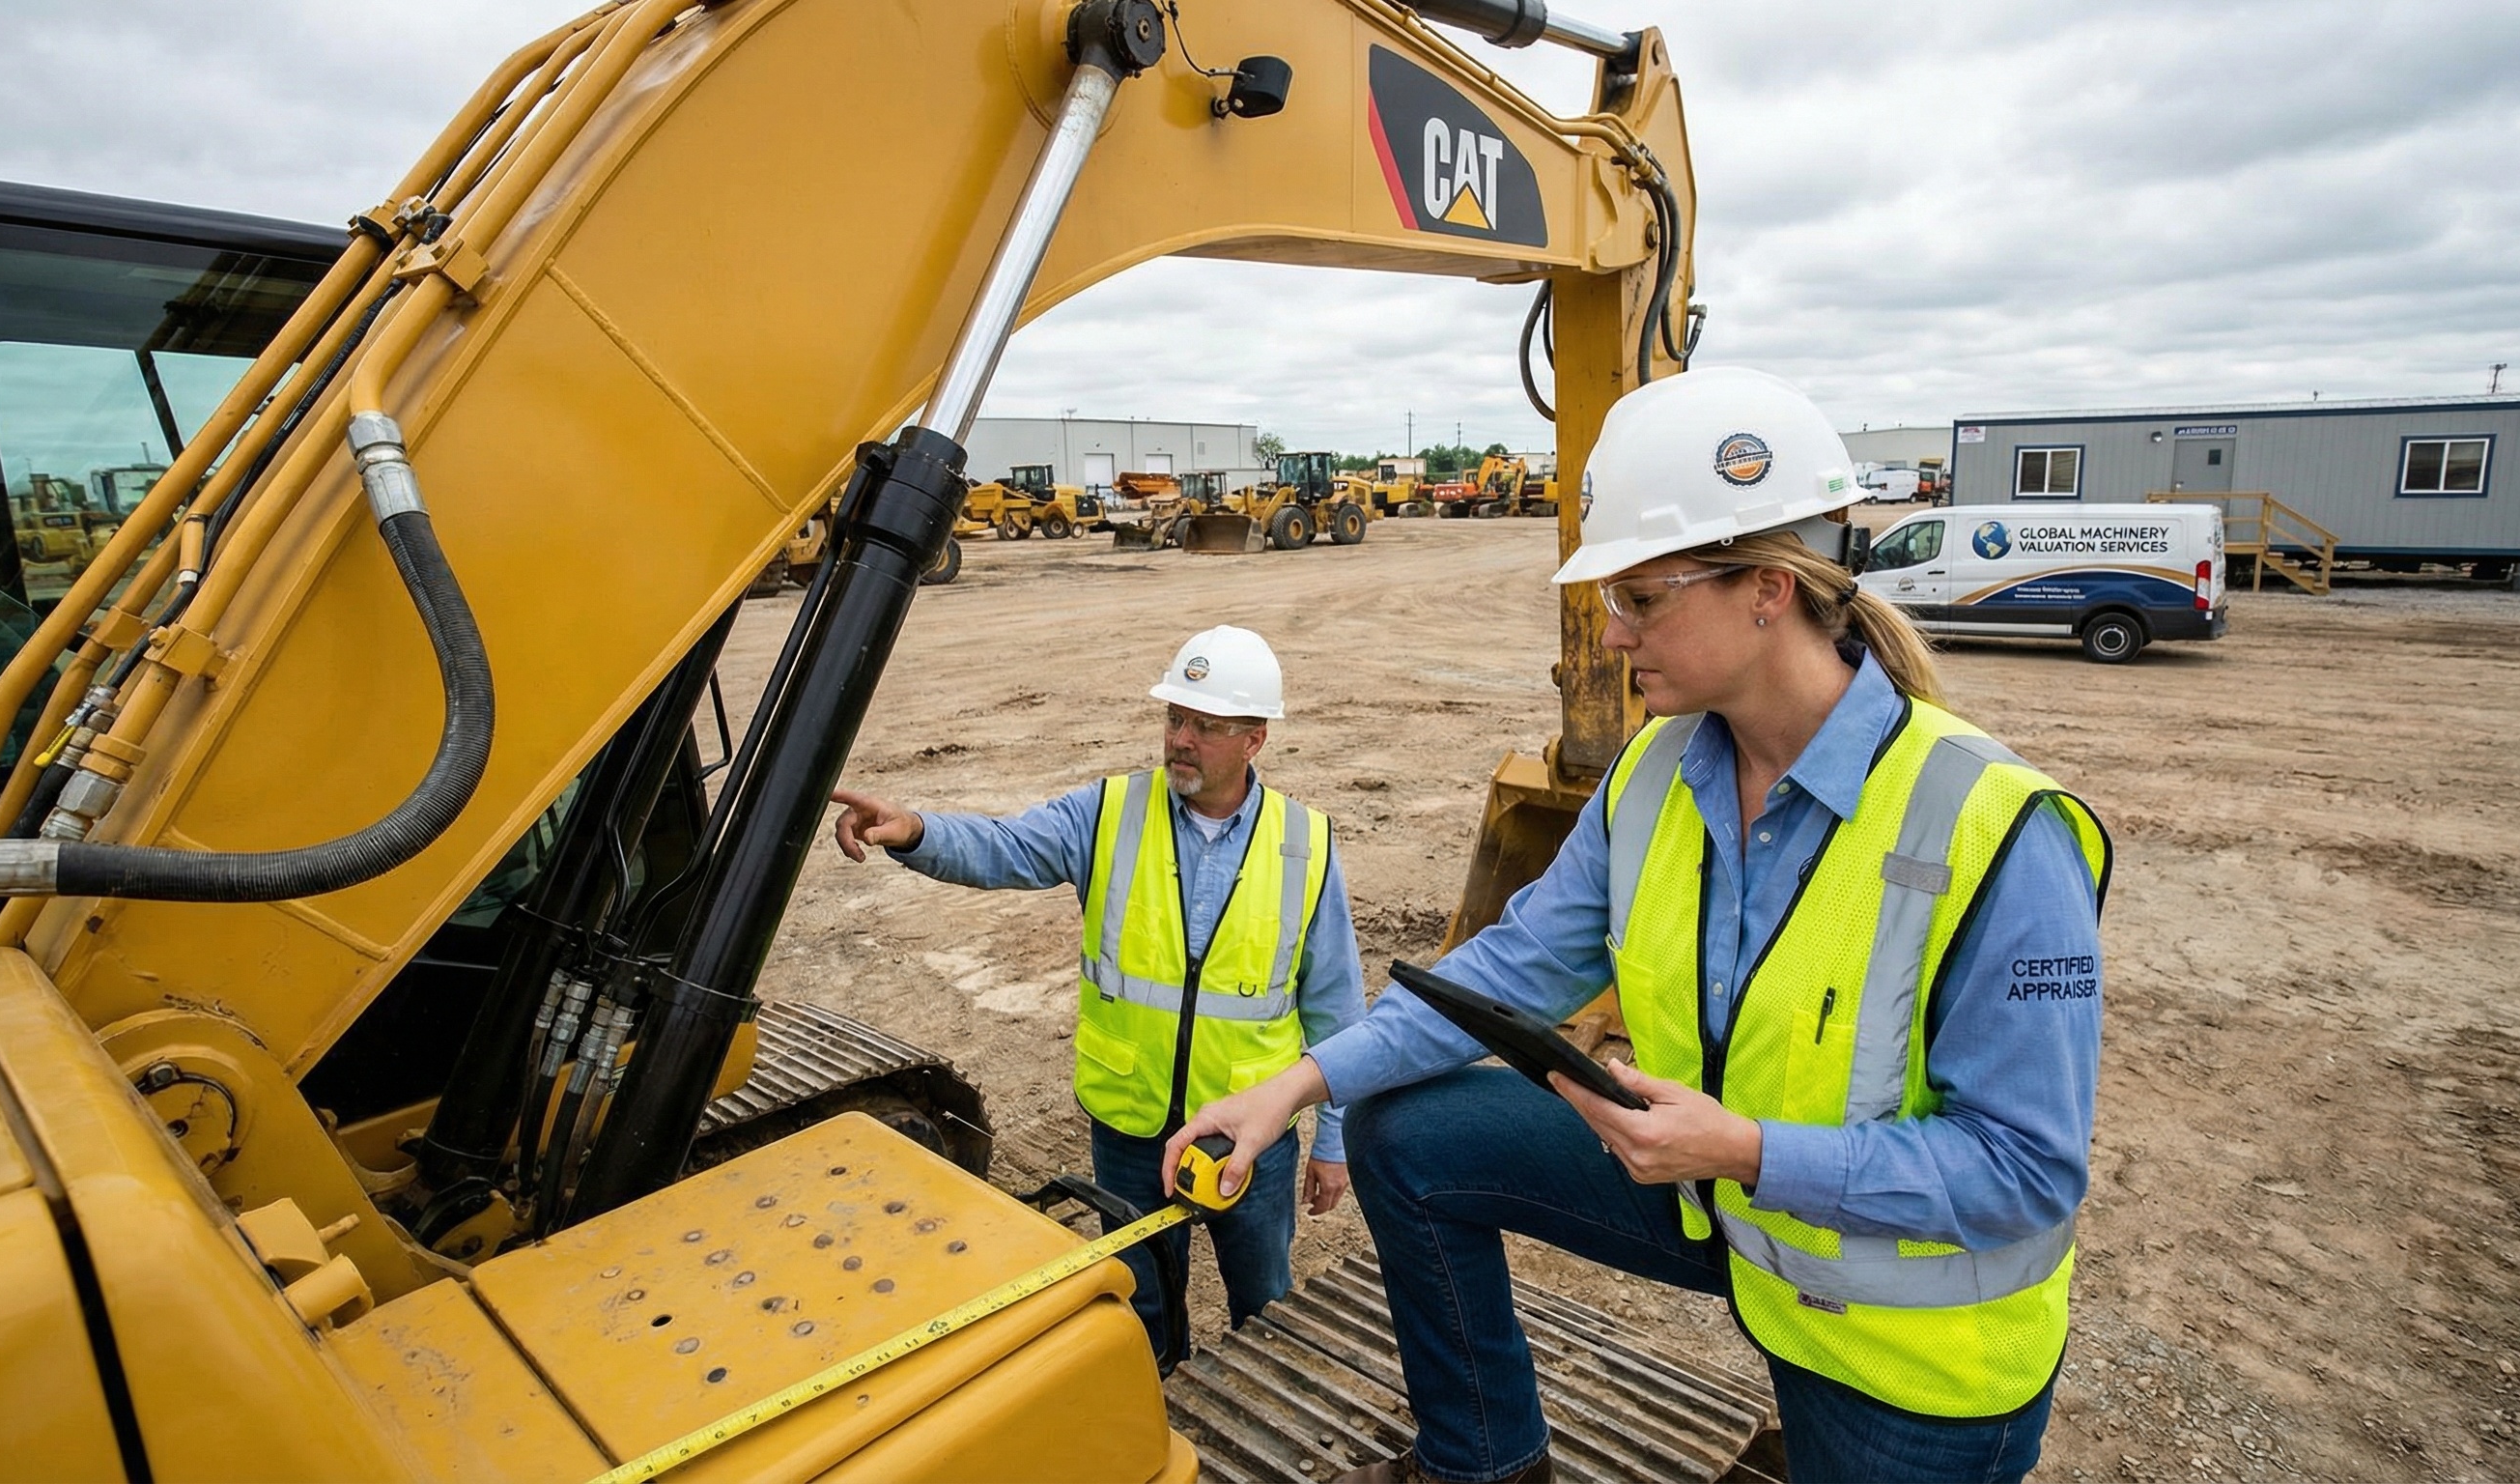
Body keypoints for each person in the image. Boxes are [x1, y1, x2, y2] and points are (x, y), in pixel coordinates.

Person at [1164, 369, 2110, 1484]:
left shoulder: (1997, 829)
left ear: (1767, 590)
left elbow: (2023, 1173)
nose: (1610, 636)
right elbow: (1514, 967)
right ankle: (1486, 1461)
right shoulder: (1656, 772)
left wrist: (1745, 1150)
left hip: (1907, 1346)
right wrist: (1294, 1087)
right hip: (1723, 1202)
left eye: (1642, 599)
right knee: (1406, 1130)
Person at [830, 623, 1364, 1371]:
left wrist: (1335, 1142)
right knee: (1141, 1304)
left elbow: (1337, 1007)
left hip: (1249, 1134)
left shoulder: (1304, 841)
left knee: (1264, 1302)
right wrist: (916, 830)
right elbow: (1006, 847)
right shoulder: (1111, 811)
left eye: (1206, 726)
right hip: (1131, 1124)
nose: (1181, 739)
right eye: (1175, 717)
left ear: (1255, 739)